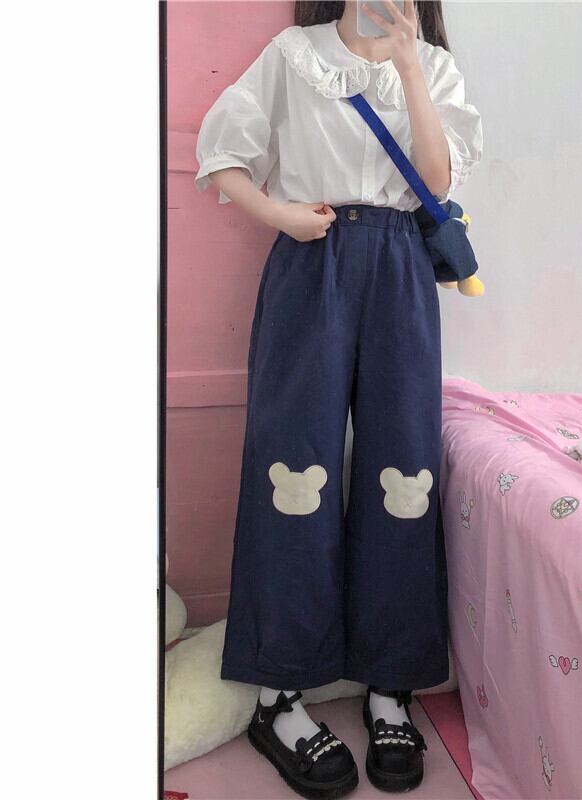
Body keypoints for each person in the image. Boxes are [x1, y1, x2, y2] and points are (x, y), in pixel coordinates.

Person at [194, 1, 482, 796]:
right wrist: (277, 214)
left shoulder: (435, 66)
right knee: (293, 470)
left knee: (405, 474)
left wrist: (411, 65)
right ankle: (279, 692)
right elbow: (222, 150)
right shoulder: (295, 54)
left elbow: (436, 181)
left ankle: (391, 681)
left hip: (400, 267)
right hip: (310, 259)